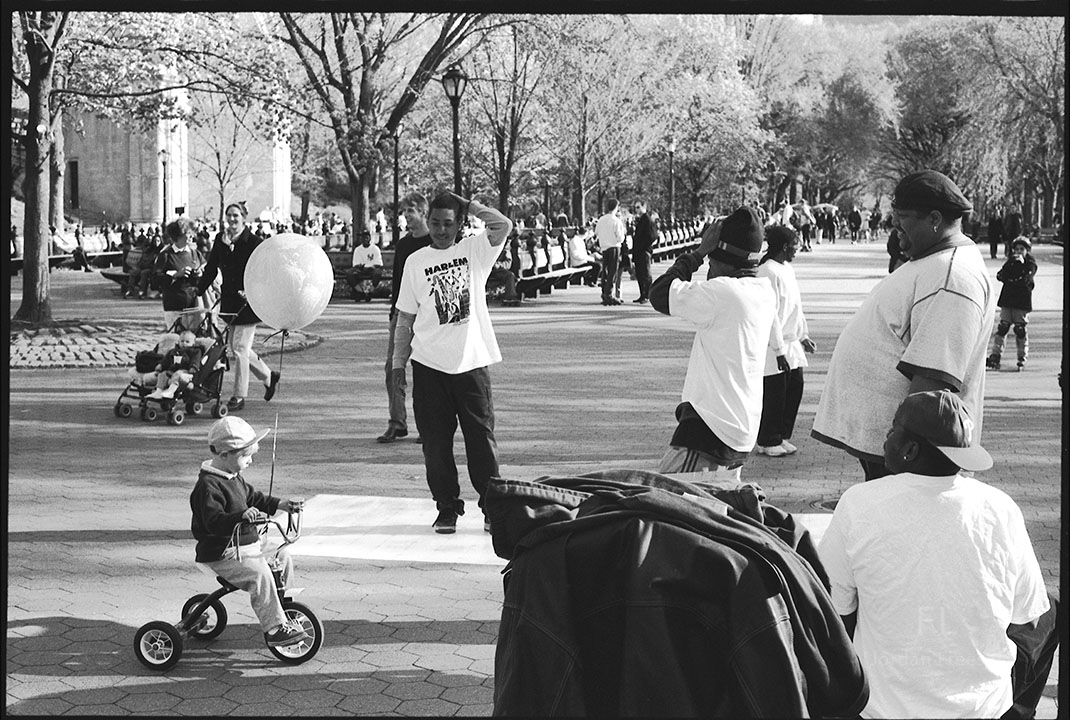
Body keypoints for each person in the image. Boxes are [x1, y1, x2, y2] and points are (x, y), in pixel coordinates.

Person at [819, 390, 1055, 719]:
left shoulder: (859, 503)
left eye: (892, 430)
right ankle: (1017, 711)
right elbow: (1026, 614)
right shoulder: (1000, 508)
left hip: (881, 708)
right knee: (1048, 610)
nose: (886, 438)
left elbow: (831, 605)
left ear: (910, 450)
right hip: (982, 709)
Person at [812, 170, 995, 481]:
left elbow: (933, 384)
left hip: (912, 457)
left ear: (935, 219)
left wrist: (905, 452)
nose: (893, 225)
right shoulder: (934, 261)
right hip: (899, 449)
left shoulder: (953, 279)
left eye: (903, 217)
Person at [393, 192, 512, 533]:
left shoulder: (474, 250)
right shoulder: (415, 261)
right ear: (426, 223)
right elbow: (405, 318)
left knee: (481, 438)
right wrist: (397, 364)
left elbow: (502, 225)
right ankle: (447, 506)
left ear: (459, 224)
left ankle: (492, 507)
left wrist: (469, 204)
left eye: (448, 223)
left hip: (471, 363)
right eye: (434, 223)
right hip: (429, 365)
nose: (441, 230)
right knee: (435, 443)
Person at [649, 207, 783, 482]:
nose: (708, 268)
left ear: (724, 259)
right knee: (710, 515)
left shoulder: (723, 294)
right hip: (741, 429)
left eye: (711, 261)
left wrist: (697, 253)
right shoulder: (763, 292)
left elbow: (660, 293)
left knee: (661, 505)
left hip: (710, 431)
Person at [190, 416, 309, 648]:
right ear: (223, 454)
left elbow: (255, 499)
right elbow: (213, 522)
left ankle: (284, 606)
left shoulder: (233, 477)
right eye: (246, 456)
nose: (251, 460)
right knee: (259, 575)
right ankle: (274, 628)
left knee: (282, 556)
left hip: (247, 544)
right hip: (222, 552)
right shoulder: (207, 486)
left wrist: (282, 504)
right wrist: (240, 516)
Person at [196, 202, 280, 413]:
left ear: (244, 218)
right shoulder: (220, 240)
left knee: (240, 349)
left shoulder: (254, 242)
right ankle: (269, 377)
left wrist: (253, 291)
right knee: (237, 348)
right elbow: (211, 267)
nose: (232, 220)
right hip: (230, 300)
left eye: (236, 216)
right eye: (229, 216)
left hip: (248, 302)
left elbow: (265, 271)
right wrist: (198, 291)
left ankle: (239, 395)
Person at [378, 193, 433, 444]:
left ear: (423, 212)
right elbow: (398, 282)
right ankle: (397, 422)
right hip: (403, 313)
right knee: (394, 367)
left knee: (426, 371)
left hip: (429, 314)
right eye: (405, 212)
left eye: (410, 211)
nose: (406, 216)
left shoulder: (436, 242)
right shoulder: (403, 245)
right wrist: (394, 311)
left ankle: (428, 425)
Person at [755, 226, 815, 456]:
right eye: (794, 246)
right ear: (783, 247)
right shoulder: (767, 271)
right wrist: (778, 349)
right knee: (774, 394)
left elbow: (795, 307)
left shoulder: (786, 269)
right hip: (774, 344)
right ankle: (768, 439)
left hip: (791, 341)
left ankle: (780, 435)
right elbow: (770, 314)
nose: (797, 251)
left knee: (794, 388)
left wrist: (804, 335)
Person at [986, 236, 1037, 372]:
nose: (1019, 252)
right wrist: (1011, 265)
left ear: (1027, 251)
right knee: (1002, 328)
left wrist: (1021, 266)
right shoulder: (1010, 262)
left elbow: (1026, 280)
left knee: (1020, 330)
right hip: (1008, 300)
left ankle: (1021, 357)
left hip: (1021, 302)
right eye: (1017, 249)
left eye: (1022, 249)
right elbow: (1000, 275)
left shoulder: (1030, 264)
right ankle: (995, 356)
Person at [155, 218, 206, 331]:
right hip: (174, 307)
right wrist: (175, 276)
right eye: (188, 233)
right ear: (178, 235)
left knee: (193, 342)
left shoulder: (195, 254)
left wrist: (200, 274)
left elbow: (206, 274)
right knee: (176, 341)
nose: (192, 235)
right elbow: (155, 281)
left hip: (194, 307)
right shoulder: (166, 255)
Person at [146, 330, 204, 399]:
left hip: (186, 372)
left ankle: (171, 391)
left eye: (187, 342)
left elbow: (196, 360)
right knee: (163, 374)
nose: (184, 343)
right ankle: (159, 390)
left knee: (178, 374)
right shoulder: (174, 351)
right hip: (173, 370)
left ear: (193, 343)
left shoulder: (195, 351)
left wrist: (193, 367)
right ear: (178, 341)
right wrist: (161, 365)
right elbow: (166, 359)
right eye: (182, 341)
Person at [594, 199, 626, 305]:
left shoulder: (601, 220)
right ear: (616, 207)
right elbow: (620, 238)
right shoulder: (616, 221)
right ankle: (609, 294)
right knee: (612, 272)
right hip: (614, 248)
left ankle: (604, 292)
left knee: (605, 271)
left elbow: (596, 232)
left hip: (604, 248)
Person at [629, 201, 658, 304]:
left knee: (646, 273)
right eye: (635, 207)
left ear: (644, 207)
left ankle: (647, 294)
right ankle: (642, 295)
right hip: (638, 251)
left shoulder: (648, 219)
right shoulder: (641, 219)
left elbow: (653, 236)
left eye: (638, 207)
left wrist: (645, 246)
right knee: (640, 274)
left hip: (644, 251)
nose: (636, 209)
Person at [347, 230, 384, 302]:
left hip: (372, 269)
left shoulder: (375, 249)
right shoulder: (358, 250)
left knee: (377, 273)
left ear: (370, 238)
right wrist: (361, 267)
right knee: (349, 274)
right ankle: (360, 292)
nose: (365, 239)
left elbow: (378, 263)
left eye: (366, 237)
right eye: (363, 238)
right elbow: (356, 264)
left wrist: (371, 267)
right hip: (361, 269)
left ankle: (371, 292)